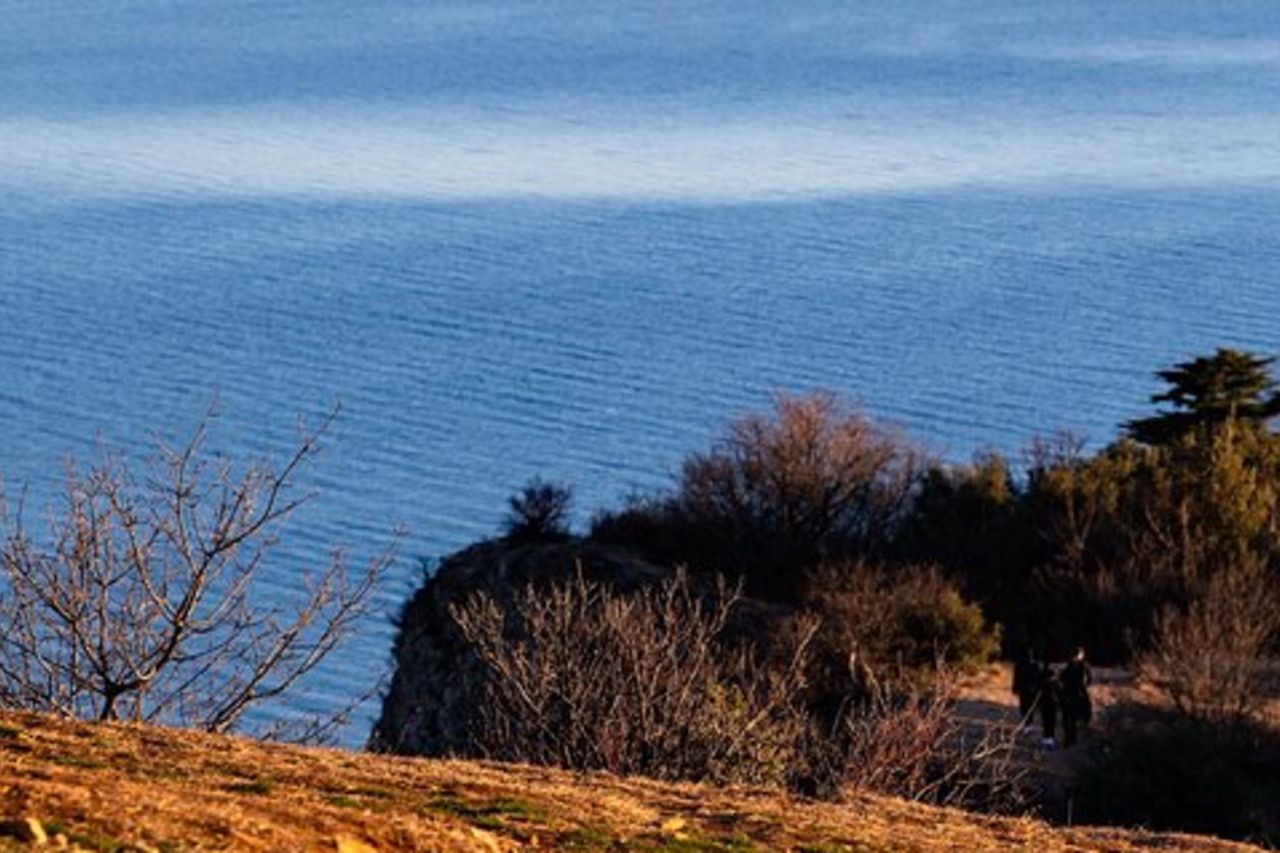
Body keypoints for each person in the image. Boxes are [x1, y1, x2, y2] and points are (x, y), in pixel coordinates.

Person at [1060, 646, 1092, 747]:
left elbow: (1088, 680)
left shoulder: (1082, 666)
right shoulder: (1075, 666)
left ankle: (1070, 737)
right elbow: (1088, 680)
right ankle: (1069, 737)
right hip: (1074, 694)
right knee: (1069, 717)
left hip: (1074, 694)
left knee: (1070, 717)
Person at [1011, 647, 1041, 724]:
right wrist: (1015, 686)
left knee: (1030, 705)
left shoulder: (1036, 662)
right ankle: (1027, 722)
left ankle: (1029, 722)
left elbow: (1038, 675)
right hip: (1024, 685)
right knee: (1024, 705)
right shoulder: (1020, 661)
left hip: (1031, 686)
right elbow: (1016, 674)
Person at [1038, 661, 1060, 748]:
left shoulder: (1047, 681)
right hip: (1049, 702)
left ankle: (1048, 738)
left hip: (1049, 702)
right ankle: (1048, 738)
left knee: (1048, 720)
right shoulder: (1052, 682)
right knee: (1049, 721)